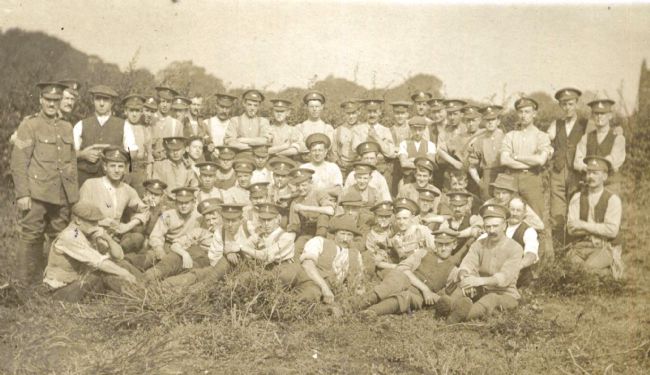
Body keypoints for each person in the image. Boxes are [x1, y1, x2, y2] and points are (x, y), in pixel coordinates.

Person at [11, 82, 80, 285]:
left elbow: (71, 163)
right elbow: (18, 161)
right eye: (48, 100)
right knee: (31, 236)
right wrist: (22, 194)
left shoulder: (67, 126)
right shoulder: (29, 125)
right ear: (41, 100)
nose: (51, 104)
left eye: (56, 100)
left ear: (60, 101)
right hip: (37, 193)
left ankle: (53, 280)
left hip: (60, 195)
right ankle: (24, 283)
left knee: (59, 237)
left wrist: (73, 197)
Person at [347, 227, 466, 317]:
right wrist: (425, 289)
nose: (443, 248)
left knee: (404, 298)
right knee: (396, 278)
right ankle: (358, 304)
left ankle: (370, 312)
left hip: (418, 297)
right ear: (435, 243)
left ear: (454, 245)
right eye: (440, 244)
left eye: (447, 245)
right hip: (406, 281)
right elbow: (402, 268)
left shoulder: (453, 270)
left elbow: (450, 293)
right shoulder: (423, 253)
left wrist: (433, 296)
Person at [437, 203, 523, 323]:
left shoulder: (515, 248)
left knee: (491, 298)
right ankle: (447, 305)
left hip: (505, 294)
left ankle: (461, 316)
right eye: (488, 227)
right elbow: (467, 264)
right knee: (461, 287)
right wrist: (464, 275)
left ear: (505, 225)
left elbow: (504, 278)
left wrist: (478, 281)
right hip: (480, 290)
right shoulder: (479, 244)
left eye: (495, 226)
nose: (491, 230)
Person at [43, 202, 139, 302]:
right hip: (60, 291)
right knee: (105, 273)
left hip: (76, 285)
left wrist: (107, 238)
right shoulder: (71, 235)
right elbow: (101, 263)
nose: (97, 225)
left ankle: (146, 287)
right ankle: (139, 296)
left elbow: (118, 256)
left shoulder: (85, 233)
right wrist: (126, 274)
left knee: (120, 264)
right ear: (78, 220)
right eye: (93, 222)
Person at [279, 215, 364, 304]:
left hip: (315, 285)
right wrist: (325, 289)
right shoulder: (319, 241)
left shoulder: (356, 255)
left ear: (353, 237)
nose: (345, 238)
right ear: (335, 234)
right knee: (287, 273)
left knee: (311, 294)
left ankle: (283, 307)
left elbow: (357, 283)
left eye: (349, 235)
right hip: (304, 274)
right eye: (342, 233)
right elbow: (307, 265)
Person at [78, 147, 150, 247]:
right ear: (105, 167)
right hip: (91, 236)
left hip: (115, 237)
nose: (117, 170)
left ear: (125, 169)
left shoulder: (127, 190)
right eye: (112, 166)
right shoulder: (90, 185)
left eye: (120, 166)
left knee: (137, 238)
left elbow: (145, 210)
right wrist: (103, 223)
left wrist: (127, 226)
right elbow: (80, 215)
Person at [567, 156, 623, 279]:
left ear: (605, 176)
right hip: (580, 246)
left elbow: (612, 231)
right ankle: (604, 274)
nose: (591, 177)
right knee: (571, 270)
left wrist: (582, 225)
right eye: (589, 173)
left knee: (585, 270)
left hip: (604, 247)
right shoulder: (577, 197)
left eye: (595, 173)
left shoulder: (613, 200)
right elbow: (571, 228)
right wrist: (600, 229)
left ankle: (609, 271)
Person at [142, 197, 221, 283]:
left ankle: (159, 287)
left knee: (174, 282)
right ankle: (141, 281)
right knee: (166, 264)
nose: (212, 223)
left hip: (200, 267)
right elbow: (176, 244)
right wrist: (185, 254)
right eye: (208, 220)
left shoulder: (229, 235)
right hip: (185, 260)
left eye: (214, 219)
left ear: (221, 217)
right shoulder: (201, 232)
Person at [74, 85, 139, 186]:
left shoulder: (123, 125)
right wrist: (83, 154)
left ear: (112, 102)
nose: (101, 103)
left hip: (113, 181)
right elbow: (69, 153)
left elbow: (133, 152)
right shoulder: (81, 124)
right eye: (98, 99)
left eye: (105, 100)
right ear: (93, 101)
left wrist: (116, 156)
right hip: (85, 179)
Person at [499, 97, 553, 218]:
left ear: (534, 114)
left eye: (527, 112)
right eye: (520, 112)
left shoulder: (541, 136)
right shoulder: (510, 135)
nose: (523, 115)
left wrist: (516, 156)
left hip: (532, 178)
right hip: (511, 179)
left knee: (535, 215)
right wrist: (530, 162)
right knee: (509, 214)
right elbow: (504, 160)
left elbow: (540, 160)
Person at [547, 88, 589, 244]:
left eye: (570, 104)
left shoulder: (585, 124)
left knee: (576, 213)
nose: (567, 108)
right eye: (564, 104)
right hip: (558, 174)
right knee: (557, 215)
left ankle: (574, 254)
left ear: (576, 103)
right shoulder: (556, 124)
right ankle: (559, 257)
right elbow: (545, 141)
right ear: (560, 106)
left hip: (577, 175)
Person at [126, 187, 201, 271]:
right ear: (176, 203)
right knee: (150, 256)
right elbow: (155, 236)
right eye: (180, 203)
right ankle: (128, 263)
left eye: (187, 203)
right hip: (167, 245)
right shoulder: (167, 215)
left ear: (193, 203)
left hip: (187, 248)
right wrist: (159, 249)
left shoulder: (199, 217)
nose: (183, 206)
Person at [574, 99, 626, 194]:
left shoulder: (618, 138)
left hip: (610, 185)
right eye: (596, 113)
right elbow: (577, 161)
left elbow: (614, 160)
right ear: (593, 115)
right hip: (590, 185)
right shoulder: (586, 137)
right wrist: (584, 167)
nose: (599, 117)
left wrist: (592, 167)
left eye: (603, 113)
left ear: (610, 116)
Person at [287, 167, 334, 259]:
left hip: (325, 232)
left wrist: (304, 207)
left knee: (323, 217)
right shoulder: (295, 202)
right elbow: (294, 226)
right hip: (307, 233)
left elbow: (330, 210)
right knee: (296, 251)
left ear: (311, 183)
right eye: (298, 185)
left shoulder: (318, 193)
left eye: (304, 185)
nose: (301, 188)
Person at [351, 99, 398, 188]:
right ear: (365, 113)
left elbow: (391, 153)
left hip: (382, 171)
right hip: (362, 171)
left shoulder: (385, 130)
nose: (372, 115)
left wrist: (376, 137)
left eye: (374, 112)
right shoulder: (357, 130)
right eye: (369, 112)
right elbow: (355, 150)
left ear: (379, 113)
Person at [468, 105, 505, 201]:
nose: (490, 122)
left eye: (493, 119)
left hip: (504, 174)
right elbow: (472, 166)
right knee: (487, 206)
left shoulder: (506, 138)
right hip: (487, 176)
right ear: (484, 122)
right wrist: (480, 182)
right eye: (487, 120)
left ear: (498, 121)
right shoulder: (479, 141)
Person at [122, 94, 151, 195]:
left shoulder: (145, 129)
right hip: (124, 169)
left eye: (137, 111)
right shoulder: (120, 126)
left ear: (142, 111)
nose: (134, 114)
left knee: (141, 198)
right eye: (131, 110)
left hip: (140, 170)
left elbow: (149, 154)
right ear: (126, 111)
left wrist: (149, 174)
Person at [436, 99, 469, 176]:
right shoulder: (443, 133)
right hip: (449, 171)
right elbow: (439, 153)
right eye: (449, 114)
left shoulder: (467, 129)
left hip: (468, 171)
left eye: (455, 114)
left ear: (462, 114)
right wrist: (454, 162)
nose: (452, 117)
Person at [364, 201, 395, 277]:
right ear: (375, 217)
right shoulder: (371, 234)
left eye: (387, 216)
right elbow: (374, 259)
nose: (384, 219)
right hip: (382, 268)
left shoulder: (395, 230)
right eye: (380, 216)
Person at [331, 100, 360, 176]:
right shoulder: (337, 131)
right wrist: (338, 164)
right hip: (342, 168)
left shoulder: (364, 129)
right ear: (344, 114)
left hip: (359, 168)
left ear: (358, 112)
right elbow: (334, 152)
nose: (351, 117)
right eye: (348, 114)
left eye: (353, 113)